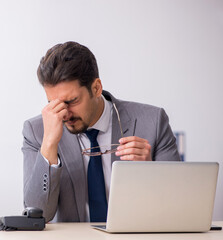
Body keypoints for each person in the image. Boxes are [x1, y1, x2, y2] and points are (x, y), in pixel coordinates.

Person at [22, 41, 180, 223]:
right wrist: (49, 145)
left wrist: (149, 171)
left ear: (96, 88)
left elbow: (176, 208)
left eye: (72, 101)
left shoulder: (153, 122)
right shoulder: (36, 131)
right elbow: (38, 215)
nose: (64, 113)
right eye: (54, 103)